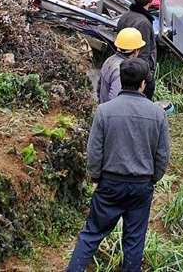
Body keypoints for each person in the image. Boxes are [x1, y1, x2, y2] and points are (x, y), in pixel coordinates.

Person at [66, 59, 169, 272]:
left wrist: (95, 177)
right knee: (134, 240)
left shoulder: (104, 110)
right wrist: (152, 179)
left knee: (92, 234)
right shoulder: (158, 113)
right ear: (143, 84)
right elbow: (162, 155)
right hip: (141, 185)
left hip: (110, 183)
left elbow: (94, 150)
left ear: (122, 81)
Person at [116, 0, 158, 99]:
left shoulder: (125, 16)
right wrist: (147, 79)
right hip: (139, 77)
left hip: (126, 72)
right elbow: (142, 54)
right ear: (151, 0)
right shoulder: (143, 23)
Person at [98, 28, 145, 104]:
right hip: (112, 113)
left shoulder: (109, 60)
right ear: (136, 50)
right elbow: (114, 99)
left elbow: (99, 87)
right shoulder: (122, 69)